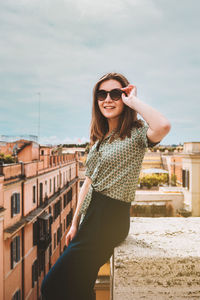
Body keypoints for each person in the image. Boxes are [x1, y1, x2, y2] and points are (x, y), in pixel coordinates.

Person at [41, 72, 171, 300]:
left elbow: (163, 126)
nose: (107, 99)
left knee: (51, 286)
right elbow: (87, 183)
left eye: (115, 94)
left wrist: (134, 101)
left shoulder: (136, 134)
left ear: (124, 97)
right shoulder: (100, 139)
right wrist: (74, 223)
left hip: (110, 217)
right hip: (92, 217)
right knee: (81, 285)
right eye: (102, 94)